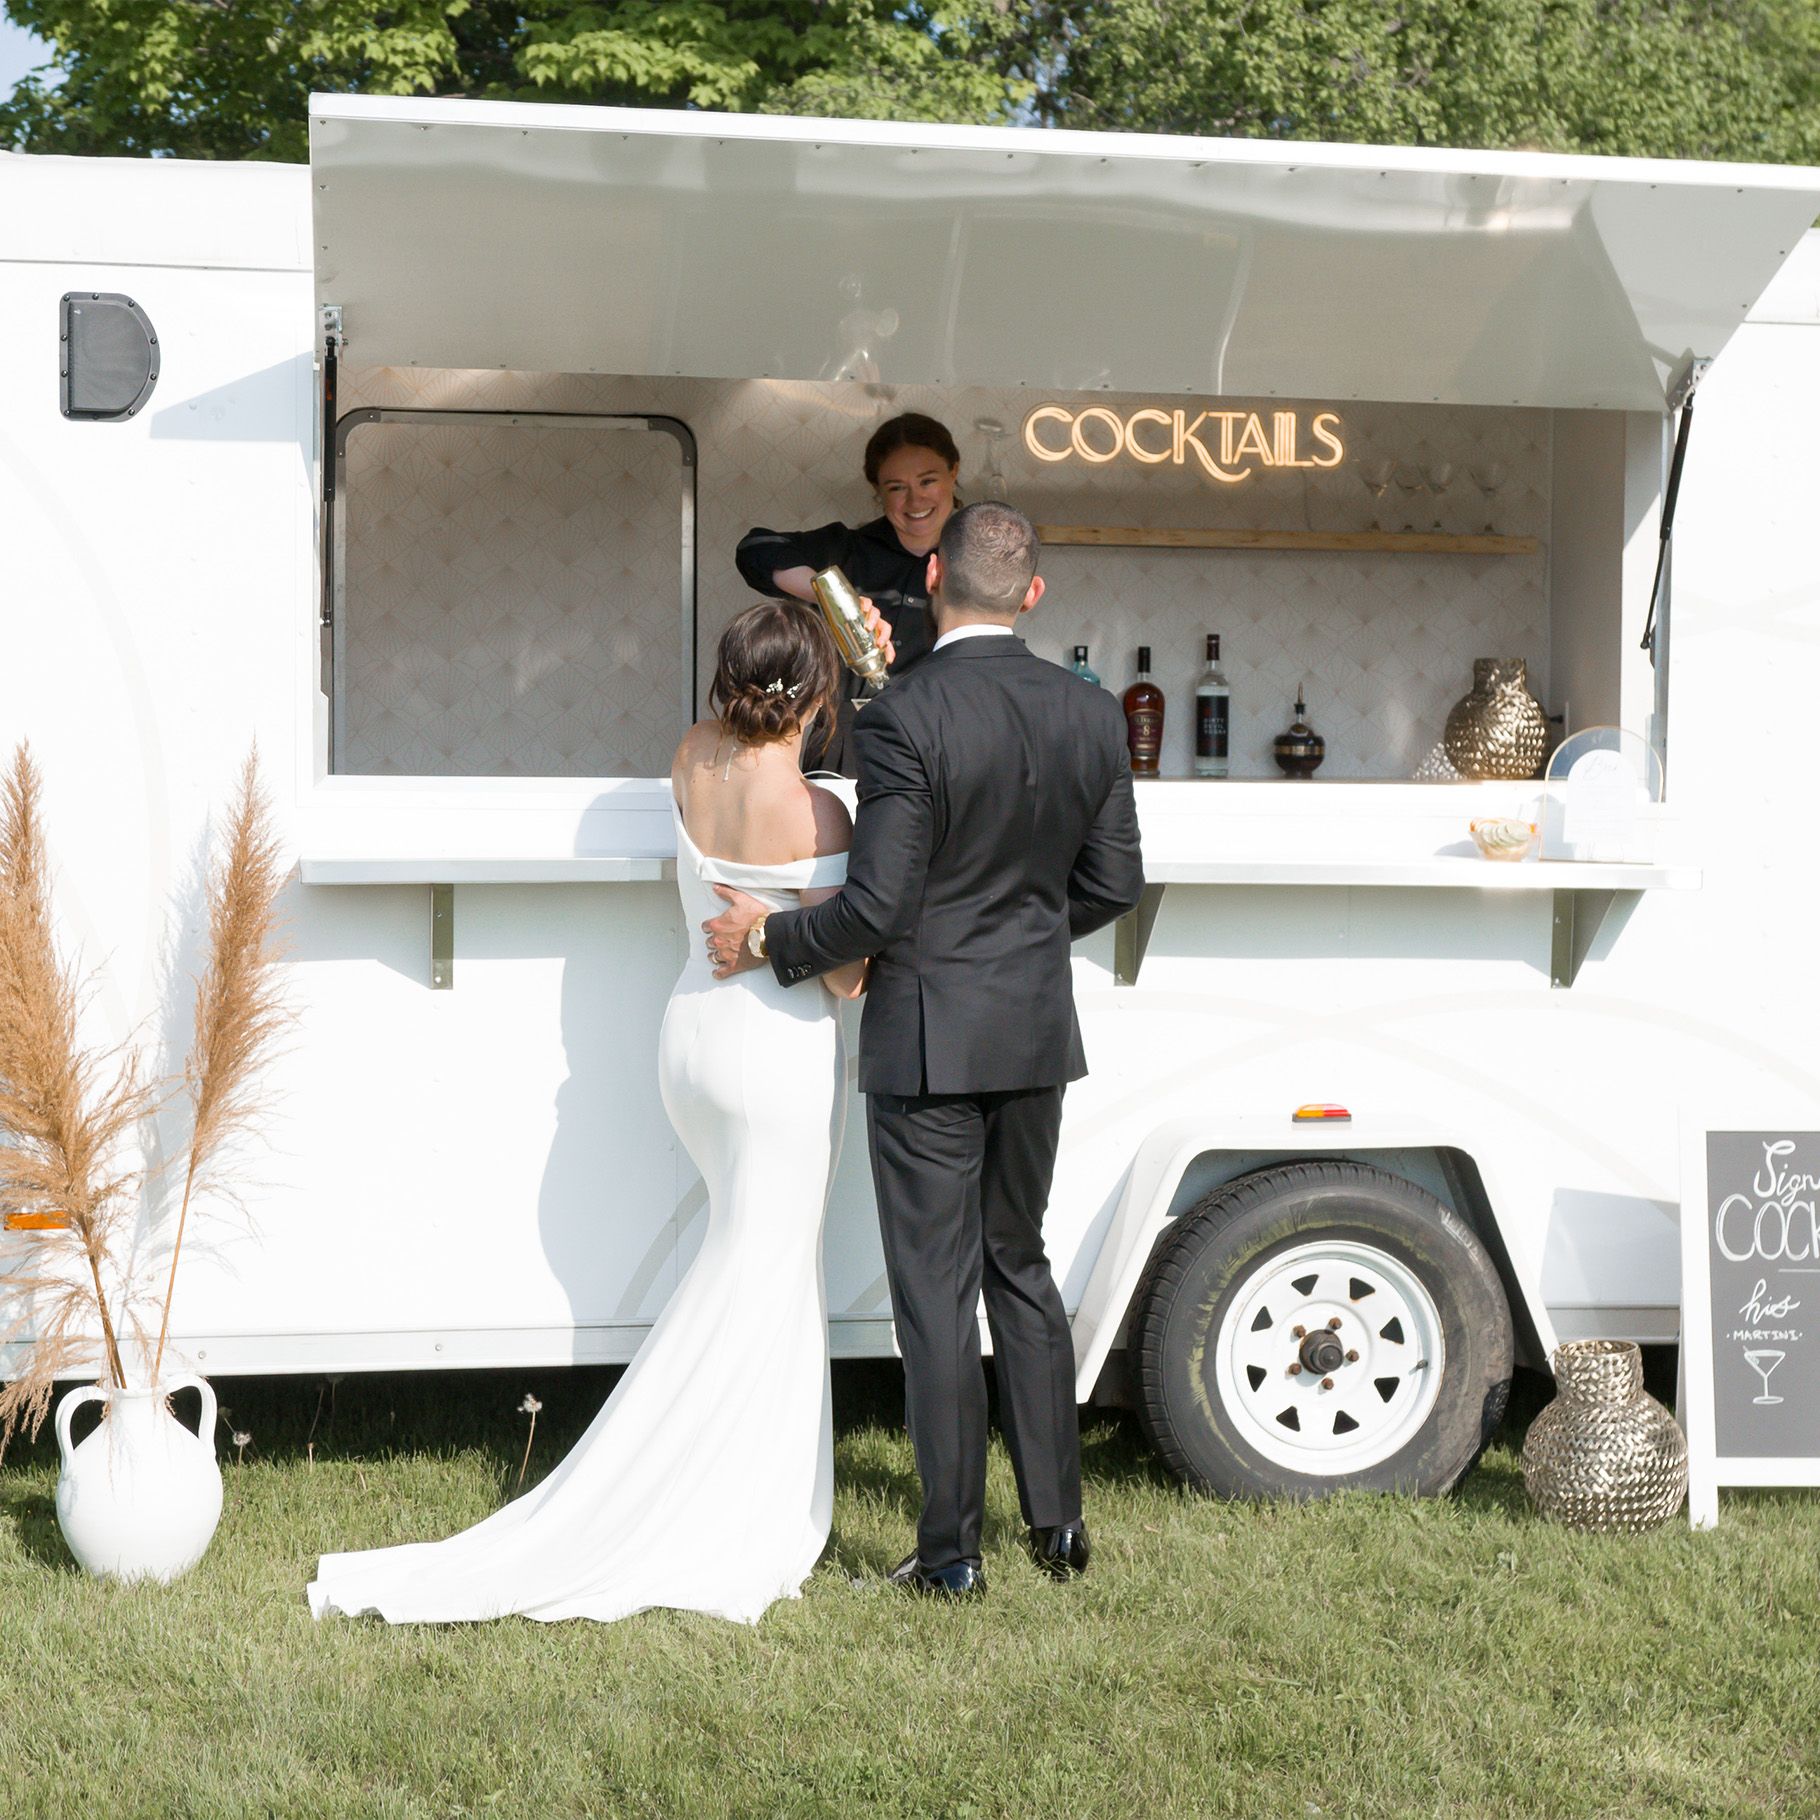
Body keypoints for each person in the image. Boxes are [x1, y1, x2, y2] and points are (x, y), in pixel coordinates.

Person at [307, 603, 863, 1625]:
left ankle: (740, 1484)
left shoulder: (690, 755)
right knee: (767, 1271)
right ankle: (690, 1500)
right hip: (772, 1054)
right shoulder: (820, 812)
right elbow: (847, 974)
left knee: (749, 1266)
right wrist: (801, 922)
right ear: (817, 691)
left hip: (689, 1036)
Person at [705, 503, 1146, 1597]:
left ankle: (950, 1552)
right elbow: (1112, 882)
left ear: (936, 574)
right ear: (1031, 594)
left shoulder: (903, 713)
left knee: (937, 1295)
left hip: (925, 1032)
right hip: (1034, 1025)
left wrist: (767, 935)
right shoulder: (1088, 714)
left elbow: (877, 905)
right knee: (1020, 1263)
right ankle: (1058, 1527)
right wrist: (1022, 939)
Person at [736, 412, 961, 772]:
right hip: (848, 745)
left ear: (954, 472)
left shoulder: (975, 549)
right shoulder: (849, 548)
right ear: (877, 490)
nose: (915, 501)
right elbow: (755, 549)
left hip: (946, 739)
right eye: (896, 487)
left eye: (927, 481)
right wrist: (834, 597)